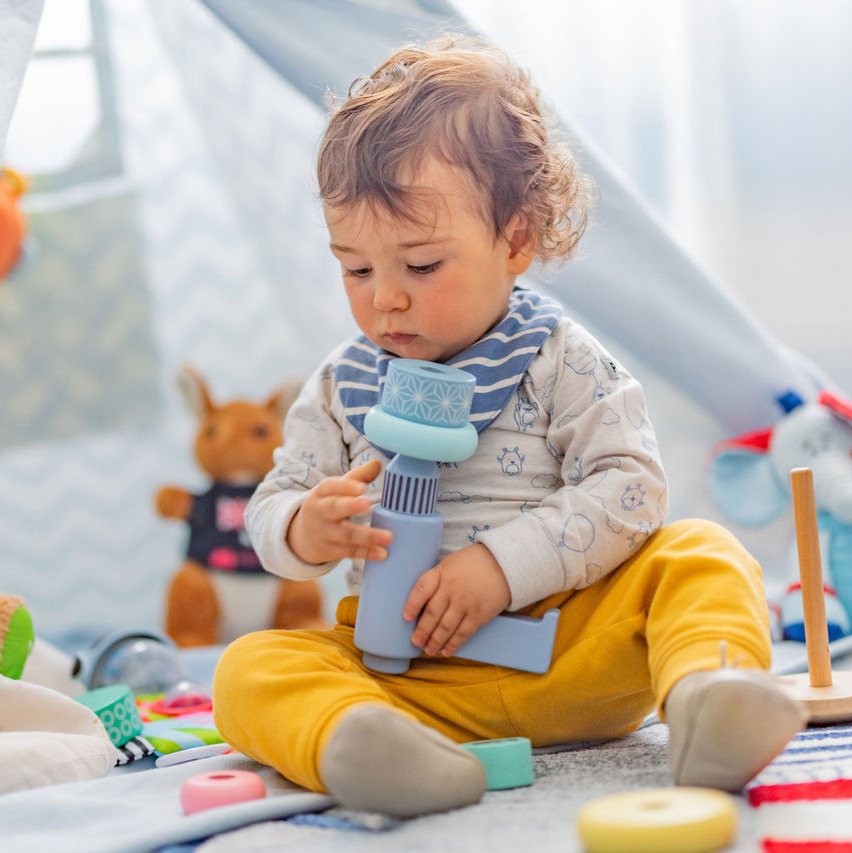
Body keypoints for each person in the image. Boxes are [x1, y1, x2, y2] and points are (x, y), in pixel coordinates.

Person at [214, 36, 805, 817]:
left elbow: (630, 490)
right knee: (247, 667)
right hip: (406, 678)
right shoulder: (340, 386)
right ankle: (366, 744)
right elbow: (270, 504)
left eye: (421, 265)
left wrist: (499, 566)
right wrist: (304, 525)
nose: (384, 297)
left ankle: (710, 698)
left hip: (569, 650)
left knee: (702, 552)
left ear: (515, 240)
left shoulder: (559, 359)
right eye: (356, 268)